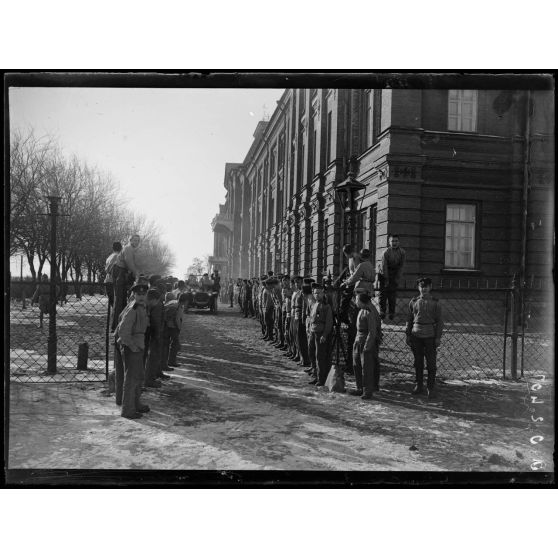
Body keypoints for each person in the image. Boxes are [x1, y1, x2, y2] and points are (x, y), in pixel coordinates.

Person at [114, 278, 151, 419]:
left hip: (138, 345)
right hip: (132, 347)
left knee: (138, 377)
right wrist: (132, 346)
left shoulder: (141, 307)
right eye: (138, 294)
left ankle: (136, 403)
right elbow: (123, 331)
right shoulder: (133, 309)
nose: (141, 296)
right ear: (134, 295)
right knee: (131, 379)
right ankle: (128, 410)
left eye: (143, 294)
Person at [405, 277, 443, 397]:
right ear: (418, 288)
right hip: (416, 335)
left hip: (430, 336)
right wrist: (408, 334)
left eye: (426, 286)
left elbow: (440, 322)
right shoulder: (413, 302)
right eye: (421, 286)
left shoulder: (435, 303)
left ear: (430, 287)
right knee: (418, 362)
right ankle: (419, 385)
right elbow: (409, 320)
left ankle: (430, 387)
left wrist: (438, 337)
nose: (424, 289)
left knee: (431, 363)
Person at [349, 292, 382, 400]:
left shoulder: (369, 312)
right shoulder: (360, 311)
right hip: (358, 340)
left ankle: (367, 391)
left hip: (365, 341)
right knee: (356, 364)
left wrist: (367, 345)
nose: (355, 302)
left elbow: (372, 331)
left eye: (357, 300)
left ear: (362, 301)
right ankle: (359, 388)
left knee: (366, 367)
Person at [112, 234, 142, 332]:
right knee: (119, 300)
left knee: (122, 300)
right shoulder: (128, 248)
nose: (136, 242)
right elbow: (129, 263)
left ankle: (118, 324)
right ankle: (116, 326)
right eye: (135, 240)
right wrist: (137, 274)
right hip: (120, 272)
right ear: (130, 240)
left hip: (123, 273)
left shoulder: (132, 250)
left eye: (138, 240)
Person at [307, 283, 334, 386]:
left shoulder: (326, 306)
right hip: (313, 332)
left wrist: (325, 334)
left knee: (320, 356)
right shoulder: (314, 305)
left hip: (320, 333)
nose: (317, 295)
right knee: (312, 353)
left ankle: (321, 378)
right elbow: (311, 319)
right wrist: (310, 330)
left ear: (323, 294)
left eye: (319, 293)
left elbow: (329, 322)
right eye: (315, 293)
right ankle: (315, 374)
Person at [377, 234, 406, 320]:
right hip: (383, 274)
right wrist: (386, 279)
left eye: (396, 241)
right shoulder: (386, 252)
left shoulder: (402, 252)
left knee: (392, 294)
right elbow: (384, 266)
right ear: (389, 242)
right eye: (392, 241)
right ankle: (382, 312)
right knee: (383, 294)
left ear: (399, 242)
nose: (394, 243)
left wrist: (397, 278)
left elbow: (402, 266)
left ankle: (391, 313)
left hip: (394, 273)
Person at [144, 288, 164, 388]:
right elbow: (156, 321)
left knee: (147, 358)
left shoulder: (145, 305)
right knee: (151, 358)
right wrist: (157, 335)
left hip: (146, 335)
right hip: (148, 335)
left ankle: (146, 380)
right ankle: (148, 380)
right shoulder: (143, 306)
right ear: (154, 299)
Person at [162, 292, 187, 370]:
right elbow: (175, 319)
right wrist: (178, 328)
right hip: (172, 328)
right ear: (185, 300)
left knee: (169, 345)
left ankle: (167, 362)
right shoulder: (176, 306)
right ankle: (170, 362)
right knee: (174, 345)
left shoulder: (175, 303)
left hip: (169, 327)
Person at [104, 241, 122, 308]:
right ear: (121, 248)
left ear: (113, 248)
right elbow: (109, 269)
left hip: (108, 280)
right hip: (114, 282)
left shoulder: (110, 256)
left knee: (113, 304)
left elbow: (106, 269)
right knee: (116, 304)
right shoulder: (118, 256)